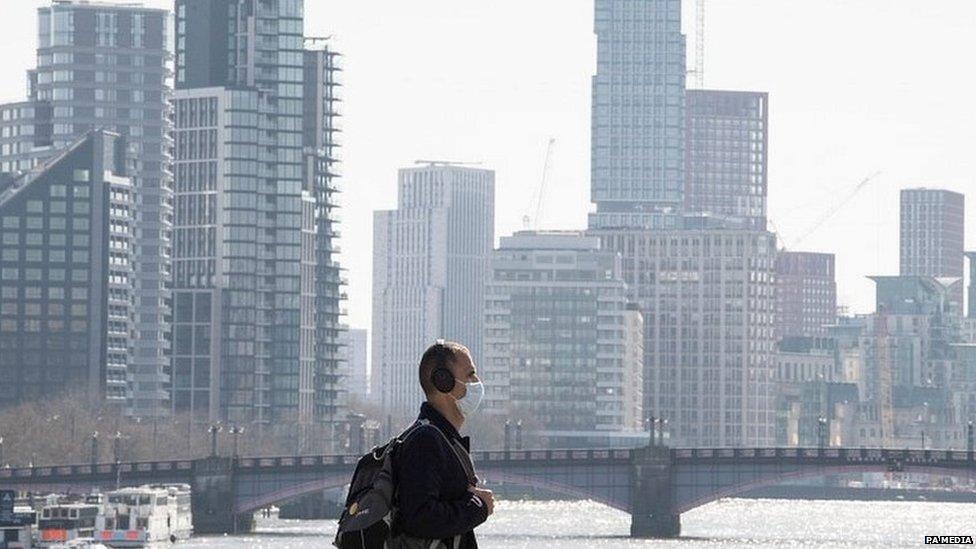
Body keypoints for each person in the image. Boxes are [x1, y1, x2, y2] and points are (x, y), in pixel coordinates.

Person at [392, 340, 493, 548]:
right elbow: (420, 517)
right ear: (443, 381)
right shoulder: (426, 441)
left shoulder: (442, 438)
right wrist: (477, 506)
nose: (477, 381)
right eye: (470, 374)